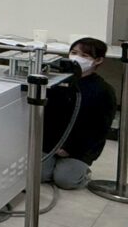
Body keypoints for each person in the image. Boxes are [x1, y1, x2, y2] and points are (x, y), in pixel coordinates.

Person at [42, 37, 117, 189]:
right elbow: (47, 116)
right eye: (74, 53)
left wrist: (70, 149)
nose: (77, 58)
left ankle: (82, 172)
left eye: (84, 55)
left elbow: (99, 129)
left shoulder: (103, 90)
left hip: (79, 148)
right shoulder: (58, 81)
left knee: (65, 181)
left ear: (98, 60)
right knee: (39, 175)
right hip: (51, 143)